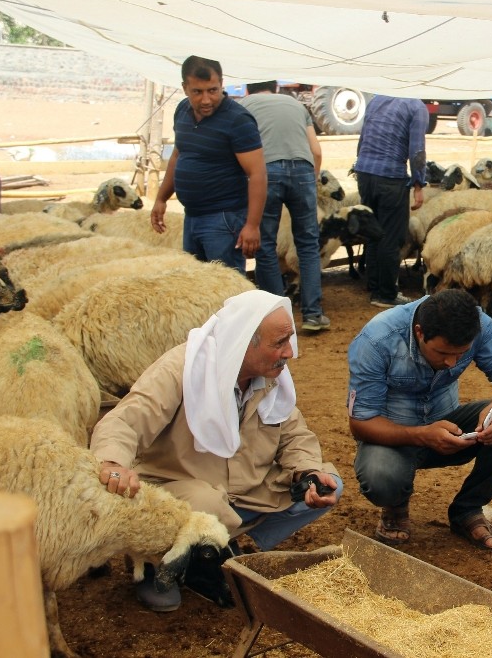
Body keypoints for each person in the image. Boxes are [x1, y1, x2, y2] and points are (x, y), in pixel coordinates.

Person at [90, 290, 342, 611]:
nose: (290, 352)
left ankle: (215, 547)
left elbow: (293, 434)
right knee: (206, 503)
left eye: (289, 340)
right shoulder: (182, 369)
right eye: (279, 343)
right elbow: (127, 420)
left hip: (241, 491)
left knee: (327, 483)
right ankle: (153, 562)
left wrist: (308, 471)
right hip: (180, 488)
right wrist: (113, 462)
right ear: (243, 342)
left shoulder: (270, 376)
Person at [346, 289, 492, 552]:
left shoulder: (477, 324)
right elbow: (361, 423)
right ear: (420, 332)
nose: (451, 362)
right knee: (380, 476)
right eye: (443, 352)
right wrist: (422, 434)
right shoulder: (376, 340)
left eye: (461, 354)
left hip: (450, 431)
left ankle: (467, 510)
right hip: (392, 440)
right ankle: (396, 506)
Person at [150, 56, 267, 274]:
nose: (206, 99)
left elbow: (257, 173)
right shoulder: (182, 111)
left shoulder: (238, 120)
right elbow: (178, 155)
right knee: (197, 285)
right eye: (198, 92)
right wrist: (161, 198)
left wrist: (252, 225)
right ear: (185, 88)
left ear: (222, 84)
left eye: (212, 90)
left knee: (226, 291)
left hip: (224, 219)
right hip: (192, 216)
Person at [239, 80, 330, 333]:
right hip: (302, 168)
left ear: (248, 89)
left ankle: (277, 317)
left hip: (265, 171)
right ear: (275, 88)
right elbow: (316, 150)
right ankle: (313, 314)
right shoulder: (295, 104)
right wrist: (312, 177)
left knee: (266, 244)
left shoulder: (244, 106)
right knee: (308, 244)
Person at [353, 95, 429, 308]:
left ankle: (375, 285)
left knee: (374, 232)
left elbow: (362, 140)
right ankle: (386, 294)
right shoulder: (416, 106)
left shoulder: (377, 100)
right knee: (390, 236)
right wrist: (418, 184)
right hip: (390, 176)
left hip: (364, 172)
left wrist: (362, 168)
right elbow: (417, 150)